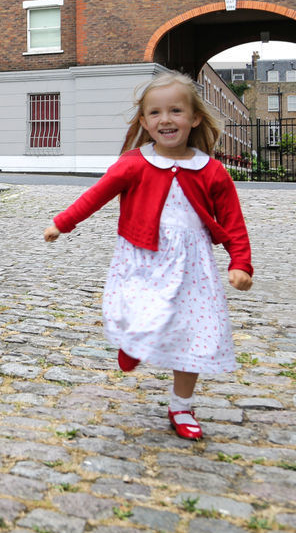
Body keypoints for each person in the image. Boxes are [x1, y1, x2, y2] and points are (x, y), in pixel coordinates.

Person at [42, 71, 253, 441]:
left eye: (175, 111)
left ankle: (181, 406)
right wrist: (63, 222)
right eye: (155, 113)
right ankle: (133, 343)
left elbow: (233, 222)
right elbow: (96, 196)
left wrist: (240, 263)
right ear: (144, 121)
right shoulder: (134, 163)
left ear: (194, 118)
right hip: (142, 258)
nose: (165, 120)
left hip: (193, 267)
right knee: (140, 310)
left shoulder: (212, 171)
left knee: (194, 333)